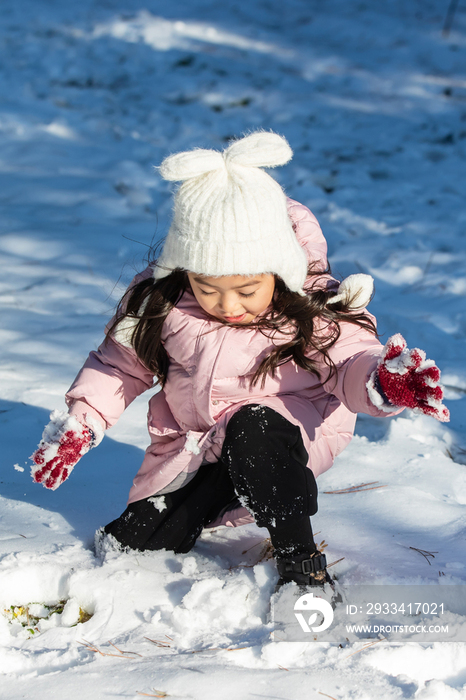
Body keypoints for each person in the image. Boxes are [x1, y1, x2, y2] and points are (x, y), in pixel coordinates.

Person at [30, 131, 449, 589]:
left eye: (247, 291)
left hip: (285, 437)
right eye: (208, 288)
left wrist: (381, 382)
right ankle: (215, 493)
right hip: (196, 445)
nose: (228, 305)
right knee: (137, 543)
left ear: (279, 270)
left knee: (254, 427)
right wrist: (83, 421)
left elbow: (348, 358)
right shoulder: (163, 303)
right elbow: (118, 366)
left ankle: (300, 561)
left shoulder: (309, 308)